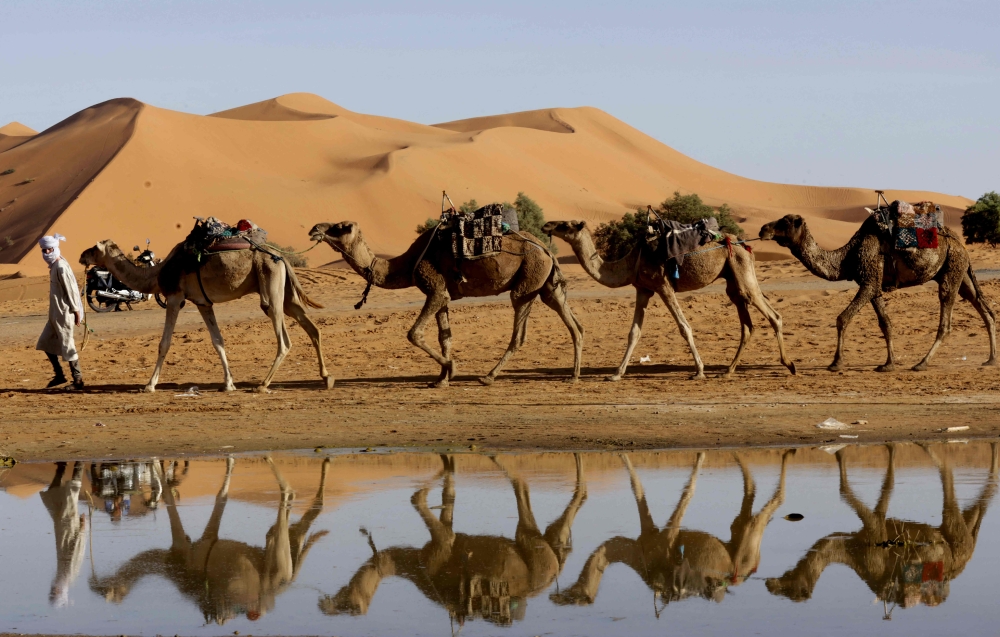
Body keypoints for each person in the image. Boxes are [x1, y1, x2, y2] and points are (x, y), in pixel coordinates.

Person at [36, 233, 84, 389]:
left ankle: (78, 380)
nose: (47, 253)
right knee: (44, 342)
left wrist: (76, 311)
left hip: (65, 313)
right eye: (44, 250)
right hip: (54, 315)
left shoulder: (61, 267)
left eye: (50, 249)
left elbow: (71, 290)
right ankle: (59, 375)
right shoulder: (55, 266)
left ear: (55, 248)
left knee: (68, 345)